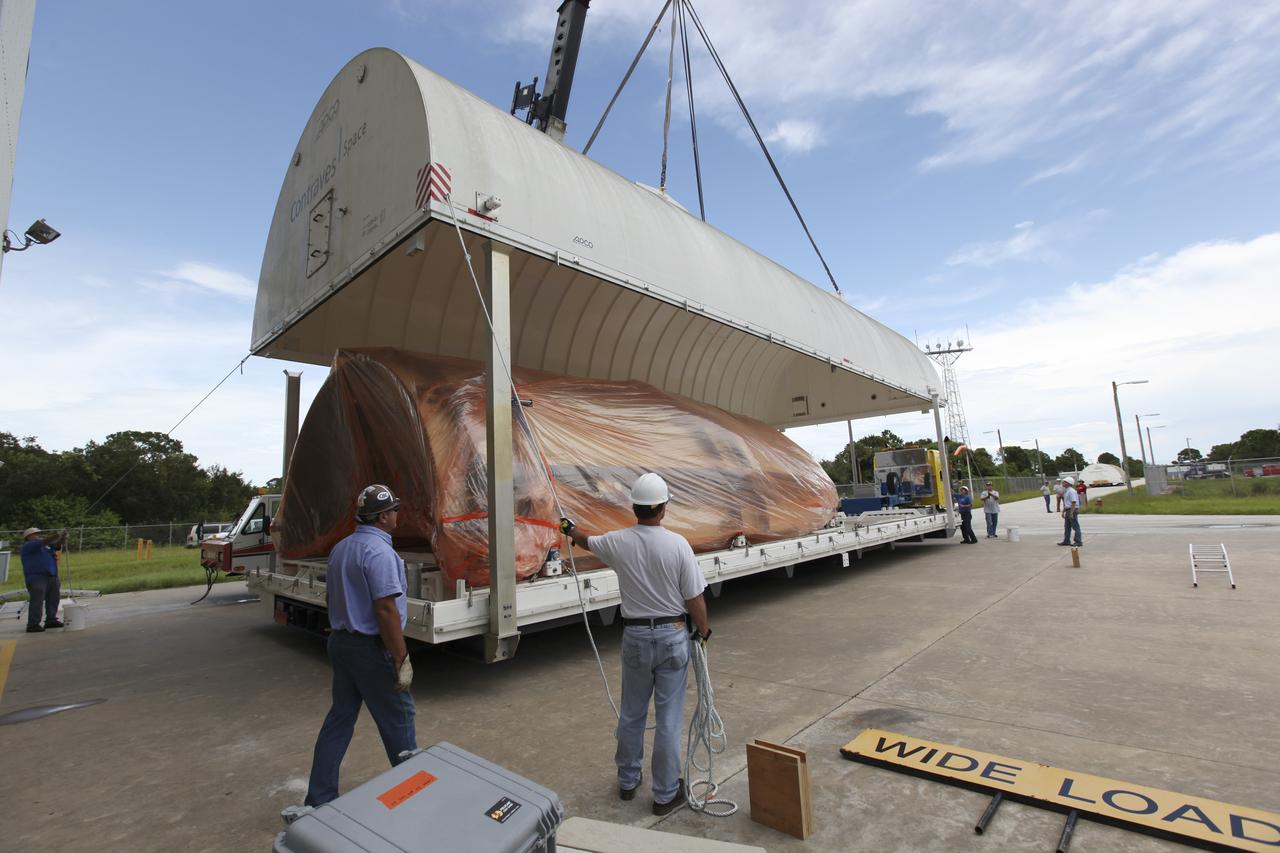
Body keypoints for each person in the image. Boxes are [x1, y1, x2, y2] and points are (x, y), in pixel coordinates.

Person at [560, 472, 710, 816]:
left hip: (636, 638)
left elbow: (586, 540)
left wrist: (568, 529)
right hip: (673, 636)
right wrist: (703, 632)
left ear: (635, 507)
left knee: (631, 714)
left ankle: (628, 782)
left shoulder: (618, 542)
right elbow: (695, 598)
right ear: (664, 508)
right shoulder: (677, 545)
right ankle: (665, 793)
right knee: (669, 719)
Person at [304, 484, 416, 807]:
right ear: (382, 517)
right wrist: (400, 657)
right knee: (400, 720)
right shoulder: (380, 553)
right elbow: (385, 609)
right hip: (371, 649)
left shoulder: (342, 548)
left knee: (339, 719)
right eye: (394, 509)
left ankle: (320, 797)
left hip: (341, 643)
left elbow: (332, 597)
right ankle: (414, 795)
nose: (397, 514)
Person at [20, 527, 67, 633]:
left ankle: (51, 620)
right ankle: (33, 624)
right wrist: (57, 534)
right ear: (28, 537)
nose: (38, 535)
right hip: (37, 576)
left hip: (51, 575)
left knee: (54, 599)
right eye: (35, 534)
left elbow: (57, 545)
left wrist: (63, 537)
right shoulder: (29, 545)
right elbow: (45, 541)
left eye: (38, 533)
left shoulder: (45, 546)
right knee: (37, 601)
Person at [1059, 477, 1083, 547]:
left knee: (1075, 526)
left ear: (1068, 483)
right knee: (1067, 526)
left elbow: (1073, 502)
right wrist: (1063, 511)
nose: (1063, 483)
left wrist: (1072, 512)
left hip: (1072, 510)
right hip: (1068, 509)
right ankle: (1066, 541)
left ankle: (1078, 541)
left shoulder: (1071, 491)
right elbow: (1067, 503)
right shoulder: (1066, 491)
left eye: (1064, 482)